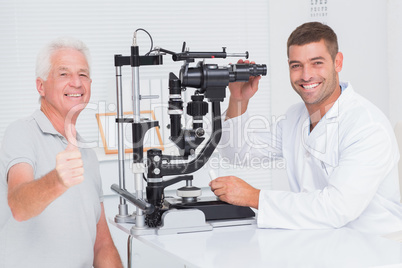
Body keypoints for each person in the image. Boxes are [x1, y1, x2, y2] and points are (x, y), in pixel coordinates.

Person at [210, 22, 402, 235]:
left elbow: (337, 208)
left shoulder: (367, 126)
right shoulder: (295, 117)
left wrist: (254, 197)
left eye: (316, 63)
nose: (306, 75)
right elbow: (238, 152)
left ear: (337, 62)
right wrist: (238, 99)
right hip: (320, 239)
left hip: (374, 248)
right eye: (296, 65)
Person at [0, 37, 123, 267]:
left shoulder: (88, 155)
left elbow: (102, 244)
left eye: (83, 74)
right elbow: (18, 205)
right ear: (41, 86)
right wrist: (57, 180)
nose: (76, 82)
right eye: (63, 74)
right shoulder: (21, 133)